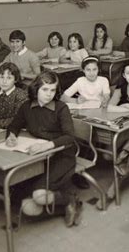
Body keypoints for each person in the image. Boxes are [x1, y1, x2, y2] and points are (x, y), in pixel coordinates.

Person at [6, 71, 82, 227]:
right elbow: (14, 125)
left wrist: (46, 145)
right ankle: (59, 206)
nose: (49, 94)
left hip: (62, 155)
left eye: (53, 90)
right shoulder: (26, 107)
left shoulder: (61, 108)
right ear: (36, 89)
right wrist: (11, 136)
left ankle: (70, 199)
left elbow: (69, 137)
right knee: (27, 207)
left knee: (39, 197)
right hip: (37, 157)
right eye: (45, 89)